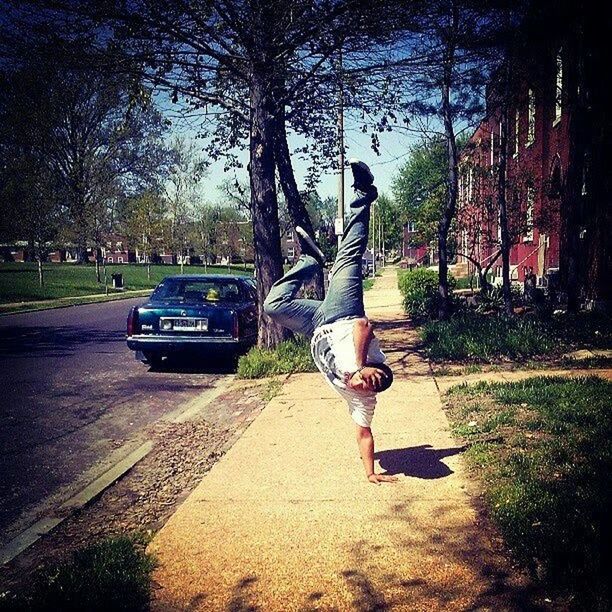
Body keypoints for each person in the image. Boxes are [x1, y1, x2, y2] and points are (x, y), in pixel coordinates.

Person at [264, 159, 397, 485]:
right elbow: (363, 325)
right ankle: (364, 194)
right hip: (343, 311)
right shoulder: (368, 360)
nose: (362, 384)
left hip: (313, 326)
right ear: (372, 371)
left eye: (366, 387)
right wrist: (363, 362)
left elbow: (364, 434)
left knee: (272, 305)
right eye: (368, 378)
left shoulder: (362, 401)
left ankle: (309, 261)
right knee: (348, 258)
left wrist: (370, 472)